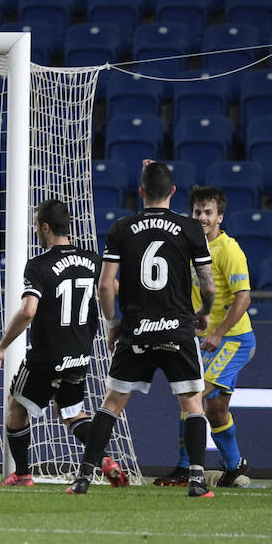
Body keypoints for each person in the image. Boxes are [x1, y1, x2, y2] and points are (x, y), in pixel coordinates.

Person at [68, 160, 216, 499]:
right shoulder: (191, 228)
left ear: (141, 192)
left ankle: (84, 477)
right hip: (177, 328)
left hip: (136, 330)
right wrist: (204, 313)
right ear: (173, 192)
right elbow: (208, 285)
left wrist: (112, 325)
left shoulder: (122, 228)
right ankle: (196, 480)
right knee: (193, 404)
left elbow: (106, 285)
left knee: (112, 403)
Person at [0, 198, 101, 487]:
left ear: (46, 227)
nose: (36, 230)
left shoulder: (38, 265)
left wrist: (1, 347)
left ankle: (23, 473)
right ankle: (106, 460)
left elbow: (28, 311)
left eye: (37, 225)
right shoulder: (92, 260)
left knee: (16, 404)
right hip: (79, 353)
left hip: (47, 354)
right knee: (72, 412)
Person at [151, 185, 254, 488]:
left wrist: (219, 333)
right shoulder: (191, 245)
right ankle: (235, 466)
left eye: (209, 212)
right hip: (206, 338)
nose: (202, 217)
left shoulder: (229, 250)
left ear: (220, 217)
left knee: (191, 396)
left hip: (234, 339)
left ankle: (186, 468)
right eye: (197, 212)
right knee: (215, 410)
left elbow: (244, 297)